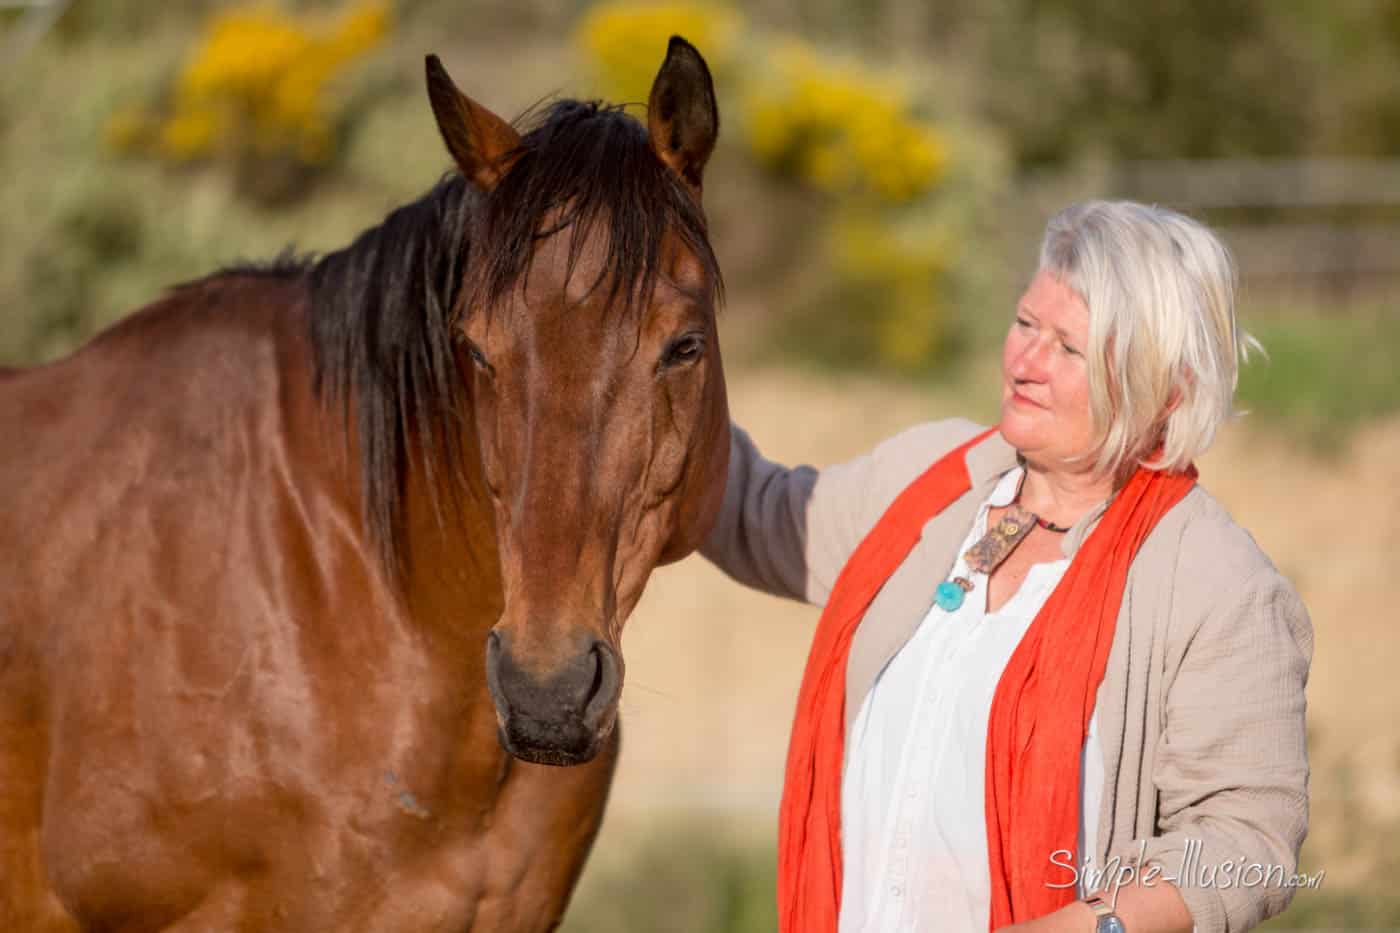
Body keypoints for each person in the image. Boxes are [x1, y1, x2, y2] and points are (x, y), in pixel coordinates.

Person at [700, 201, 1312, 933]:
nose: (1025, 362)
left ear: (1164, 389)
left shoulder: (1216, 583)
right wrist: (650, 360)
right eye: (1026, 324)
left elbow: (1248, 842)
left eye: (1068, 348)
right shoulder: (934, 481)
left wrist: (1087, 927)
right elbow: (757, 514)